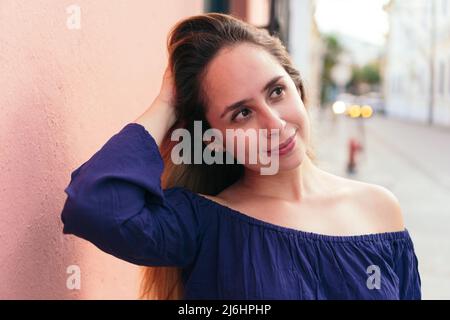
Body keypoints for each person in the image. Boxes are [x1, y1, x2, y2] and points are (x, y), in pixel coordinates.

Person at [60, 13, 421, 300]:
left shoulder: (379, 208)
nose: (275, 123)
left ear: (298, 89)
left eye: (277, 91)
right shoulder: (203, 224)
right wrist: (167, 103)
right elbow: (94, 205)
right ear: (212, 140)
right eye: (241, 113)